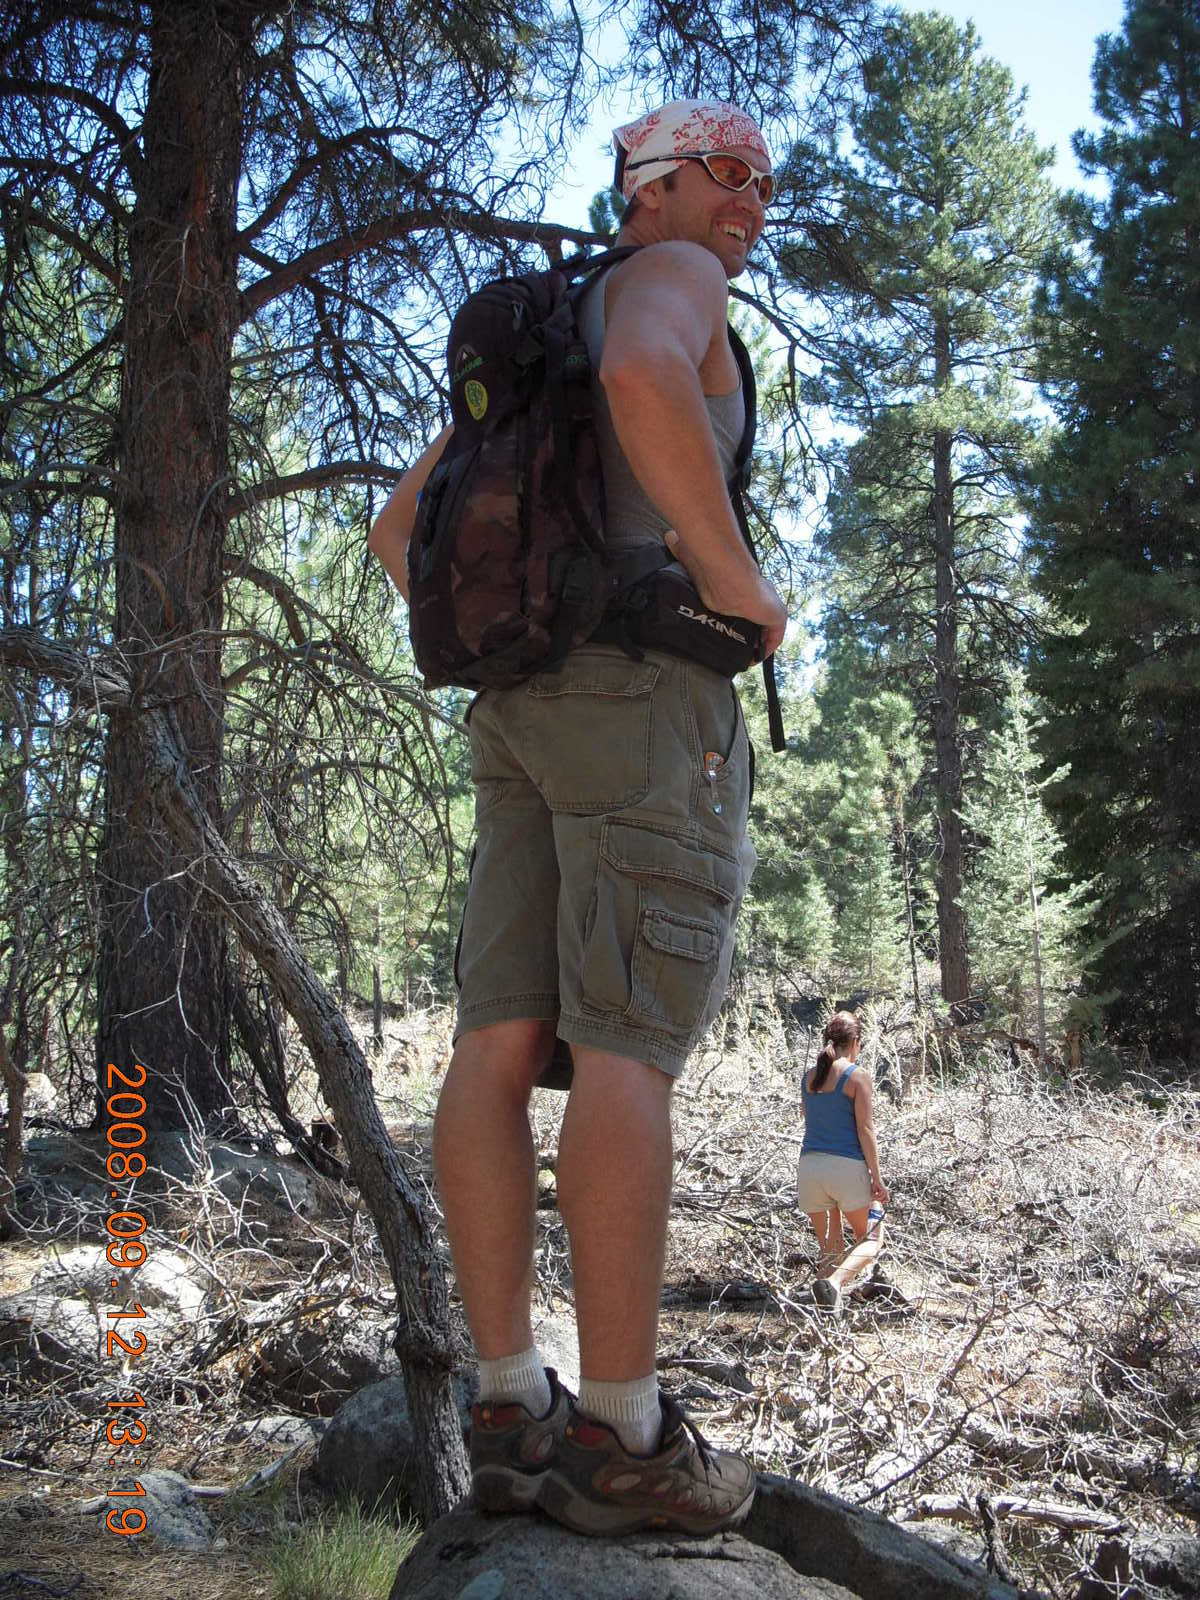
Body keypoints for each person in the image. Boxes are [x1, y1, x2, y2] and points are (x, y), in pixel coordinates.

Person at [368, 97, 787, 1536]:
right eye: (722, 172)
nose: (748, 202)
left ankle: (507, 1410)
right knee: (624, 1050)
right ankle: (623, 1434)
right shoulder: (669, 281)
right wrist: (736, 582)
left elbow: (398, 534)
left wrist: (531, 632)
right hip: (640, 699)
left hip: (518, 708)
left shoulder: (535, 334)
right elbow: (644, 373)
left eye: (763, 182)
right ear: (648, 188)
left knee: (497, 1042)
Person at [795, 1011, 889, 1318]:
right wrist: (876, 1178)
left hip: (809, 1169)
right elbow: (865, 1130)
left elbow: (810, 1119)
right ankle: (835, 1284)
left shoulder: (809, 1077)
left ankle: (823, 1323)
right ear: (856, 1041)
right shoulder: (857, 1076)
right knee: (871, 1240)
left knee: (830, 1250)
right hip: (846, 1168)